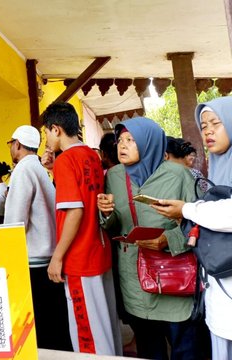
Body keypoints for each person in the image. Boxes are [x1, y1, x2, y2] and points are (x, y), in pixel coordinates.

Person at [97, 116, 200, 359]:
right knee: (149, 350)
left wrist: (169, 240)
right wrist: (106, 213)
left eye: (131, 140)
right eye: (121, 140)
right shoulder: (114, 177)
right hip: (135, 280)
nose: (122, 145)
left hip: (173, 277)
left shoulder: (178, 175)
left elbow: (197, 223)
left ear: (149, 143)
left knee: (185, 349)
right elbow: (114, 227)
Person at [154, 97, 232, 360]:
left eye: (216, 123)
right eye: (203, 125)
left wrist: (187, 210)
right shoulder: (217, 169)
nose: (208, 131)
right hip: (219, 291)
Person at [42, 102, 121, 356]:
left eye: (46, 132)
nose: (46, 138)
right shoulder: (91, 155)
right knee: (106, 326)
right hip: (99, 251)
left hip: (79, 258)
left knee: (88, 336)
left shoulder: (66, 161)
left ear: (56, 129)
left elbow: (75, 211)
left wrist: (57, 256)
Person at [3, 125, 73, 351]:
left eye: (11, 144)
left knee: (42, 332)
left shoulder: (23, 170)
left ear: (17, 145)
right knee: (55, 327)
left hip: (34, 263)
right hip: (49, 258)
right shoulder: (40, 169)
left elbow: (16, 222)